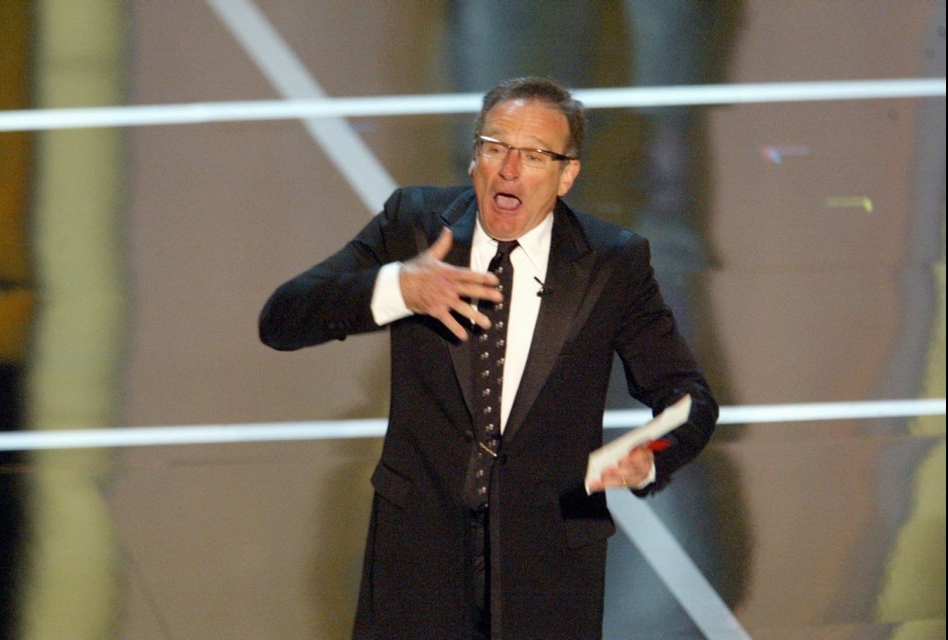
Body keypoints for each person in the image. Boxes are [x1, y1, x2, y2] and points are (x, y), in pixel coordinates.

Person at [259, 77, 718, 640]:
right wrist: (396, 289)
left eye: (533, 155)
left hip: (552, 569)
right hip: (416, 563)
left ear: (567, 174)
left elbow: (689, 398)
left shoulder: (611, 262)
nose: (509, 169)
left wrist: (650, 455)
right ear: (475, 155)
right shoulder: (415, 226)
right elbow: (282, 319)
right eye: (496, 147)